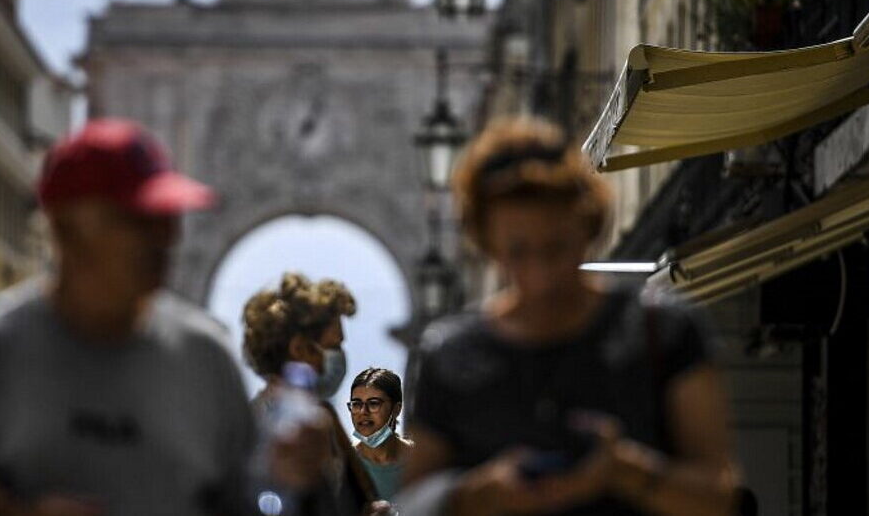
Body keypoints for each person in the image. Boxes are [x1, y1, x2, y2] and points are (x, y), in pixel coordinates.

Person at [0, 118, 257, 516]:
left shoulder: (207, 360)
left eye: (168, 217)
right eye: (137, 220)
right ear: (65, 228)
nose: (165, 238)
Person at [398, 117, 740, 516]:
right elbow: (414, 503)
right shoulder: (450, 358)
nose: (541, 276)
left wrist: (624, 471)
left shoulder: (662, 333)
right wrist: (480, 494)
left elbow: (721, 497)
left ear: (588, 226)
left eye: (557, 248)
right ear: (487, 242)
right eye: (518, 252)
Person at [242, 272, 379, 515]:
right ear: (299, 348)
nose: (340, 357)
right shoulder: (278, 424)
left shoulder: (317, 414)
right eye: (333, 346)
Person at [347, 368, 413, 502]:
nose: (363, 412)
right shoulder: (344, 464)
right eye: (356, 404)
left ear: (396, 409)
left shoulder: (420, 462)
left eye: (373, 403)